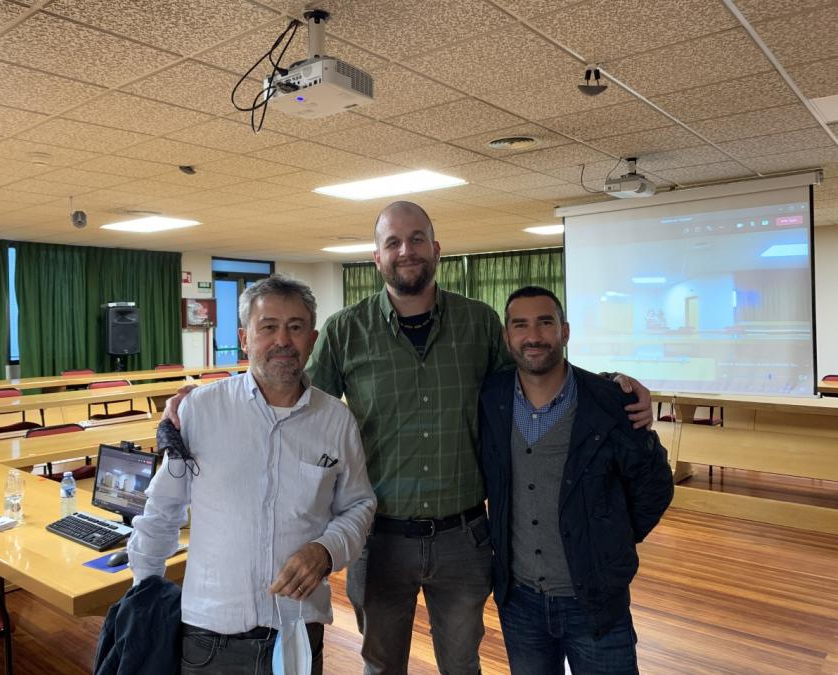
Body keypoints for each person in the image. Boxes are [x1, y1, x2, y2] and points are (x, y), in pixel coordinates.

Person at [164, 201, 654, 674]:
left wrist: (609, 385)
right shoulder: (345, 331)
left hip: (463, 538)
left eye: (416, 239)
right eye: (393, 242)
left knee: (461, 665)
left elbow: (535, 375)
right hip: (380, 540)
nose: (406, 250)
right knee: (381, 665)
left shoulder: (478, 322)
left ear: (436, 249)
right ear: (376, 257)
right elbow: (288, 396)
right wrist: (207, 401)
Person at [128, 275, 376, 675]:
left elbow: (359, 505)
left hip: (297, 631)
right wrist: (145, 594)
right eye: (268, 327)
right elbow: (162, 509)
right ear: (245, 338)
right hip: (210, 635)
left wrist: (326, 550)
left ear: (312, 340)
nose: (283, 340)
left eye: (295, 327)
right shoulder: (198, 411)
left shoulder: (336, 421)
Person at [478, 286, 674, 675]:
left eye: (545, 323)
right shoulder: (490, 398)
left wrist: (609, 538)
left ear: (564, 332)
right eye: (521, 325)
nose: (533, 336)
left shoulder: (609, 401)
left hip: (596, 600)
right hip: (520, 604)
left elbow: (654, 486)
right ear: (507, 337)